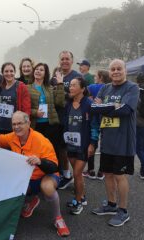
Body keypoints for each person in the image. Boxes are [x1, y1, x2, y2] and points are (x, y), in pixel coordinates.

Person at [0, 111, 70, 237]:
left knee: (46, 187)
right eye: (14, 124)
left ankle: (58, 219)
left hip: (46, 176)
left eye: (20, 123)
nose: (16, 127)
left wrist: (40, 161)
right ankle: (31, 201)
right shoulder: (11, 136)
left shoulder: (41, 141)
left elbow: (54, 167)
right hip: (27, 178)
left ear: (28, 123)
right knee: (10, 186)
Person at [91, 59, 139, 227]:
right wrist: (114, 106)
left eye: (119, 68)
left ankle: (123, 210)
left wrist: (105, 107)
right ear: (109, 72)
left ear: (125, 70)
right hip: (107, 141)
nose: (116, 71)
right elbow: (93, 108)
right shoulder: (105, 88)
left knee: (120, 176)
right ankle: (111, 205)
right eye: (113, 69)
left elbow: (126, 110)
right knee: (108, 174)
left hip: (123, 141)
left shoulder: (132, 88)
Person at [63, 77, 99, 215]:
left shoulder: (89, 104)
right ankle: (82, 196)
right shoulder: (68, 104)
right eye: (70, 85)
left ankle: (78, 202)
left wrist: (93, 144)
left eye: (74, 85)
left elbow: (95, 126)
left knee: (77, 173)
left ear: (82, 88)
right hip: (71, 144)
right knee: (77, 175)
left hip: (84, 145)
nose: (70, 88)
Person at [27, 63, 65, 175]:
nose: (38, 71)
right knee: (36, 151)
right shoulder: (26, 88)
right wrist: (35, 112)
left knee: (52, 150)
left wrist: (60, 84)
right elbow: (25, 107)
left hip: (51, 125)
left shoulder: (49, 88)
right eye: (36, 69)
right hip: (35, 126)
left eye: (41, 70)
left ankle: (55, 174)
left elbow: (60, 102)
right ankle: (36, 175)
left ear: (45, 73)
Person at [51, 51, 82, 189]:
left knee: (73, 150)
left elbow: (78, 96)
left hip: (72, 117)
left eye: (67, 59)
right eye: (62, 59)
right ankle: (66, 174)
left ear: (72, 60)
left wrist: (61, 88)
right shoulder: (55, 75)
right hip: (57, 118)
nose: (64, 61)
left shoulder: (77, 76)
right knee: (61, 148)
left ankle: (78, 179)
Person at [83, 69, 110, 180]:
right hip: (106, 118)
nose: (94, 78)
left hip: (93, 118)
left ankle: (91, 170)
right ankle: (102, 172)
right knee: (104, 144)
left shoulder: (92, 87)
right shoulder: (110, 88)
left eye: (96, 76)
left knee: (92, 142)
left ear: (100, 77)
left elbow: (87, 99)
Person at [0, 62, 31, 134]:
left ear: (15, 72)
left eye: (11, 71)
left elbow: (26, 108)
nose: (9, 73)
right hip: (0, 126)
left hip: (15, 127)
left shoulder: (21, 86)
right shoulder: (0, 87)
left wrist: (24, 125)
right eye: (6, 71)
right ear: (2, 73)